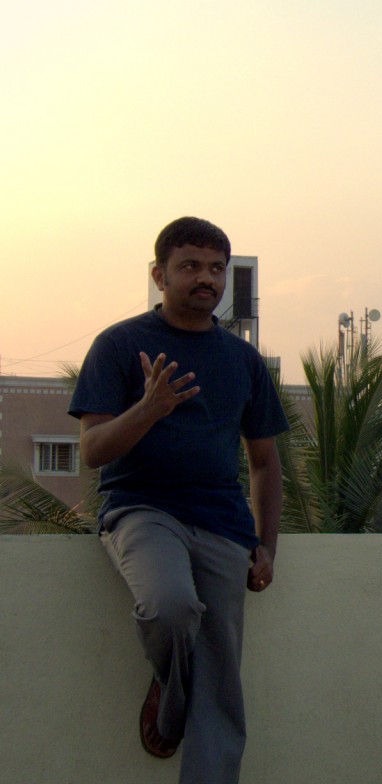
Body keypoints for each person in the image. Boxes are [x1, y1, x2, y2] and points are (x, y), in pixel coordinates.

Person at [69, 217, 288, 784]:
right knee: (170, 607)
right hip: (141, 510)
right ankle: (172, 683)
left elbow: (264, 462)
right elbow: (92, 450)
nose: (206, 279)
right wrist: (148, 409)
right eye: (190, 265)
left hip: (221, 522)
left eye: (217, 268)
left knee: (222, 687)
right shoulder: (119, 344)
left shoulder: (242, 362)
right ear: (159, 274)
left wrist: (267, 545)